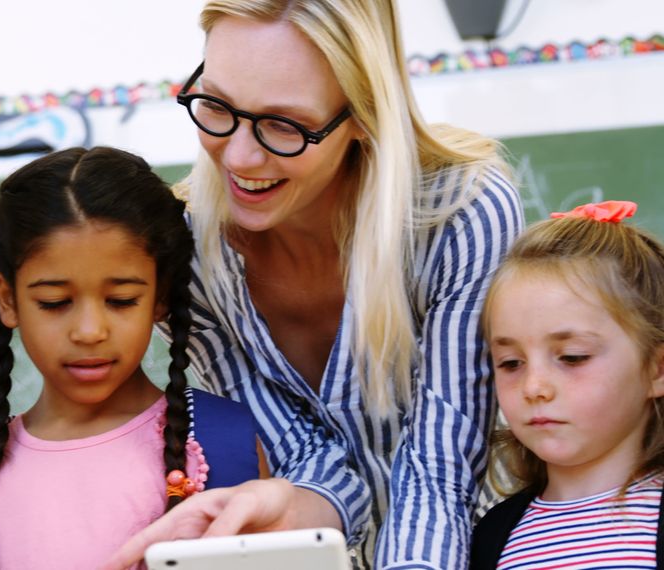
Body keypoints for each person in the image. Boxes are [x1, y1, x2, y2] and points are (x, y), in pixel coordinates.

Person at [103, 1, 524, 568]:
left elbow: (439, 471)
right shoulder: (188, 255)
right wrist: (291, 501)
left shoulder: (459, 212)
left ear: (363, 115)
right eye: (219, 105)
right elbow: (304, 457)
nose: (242, 155)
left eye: (285, 124)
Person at [0, 147, 266, 570]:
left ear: (159, 297)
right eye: (54, 302)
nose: (89, 331)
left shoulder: (230, 438)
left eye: (121, 300)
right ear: (7, 299)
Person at [469, 201, 664, 569]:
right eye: (511, 363)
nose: (534, 387)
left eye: (573, 357)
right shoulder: (490, 538)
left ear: (656, 369)